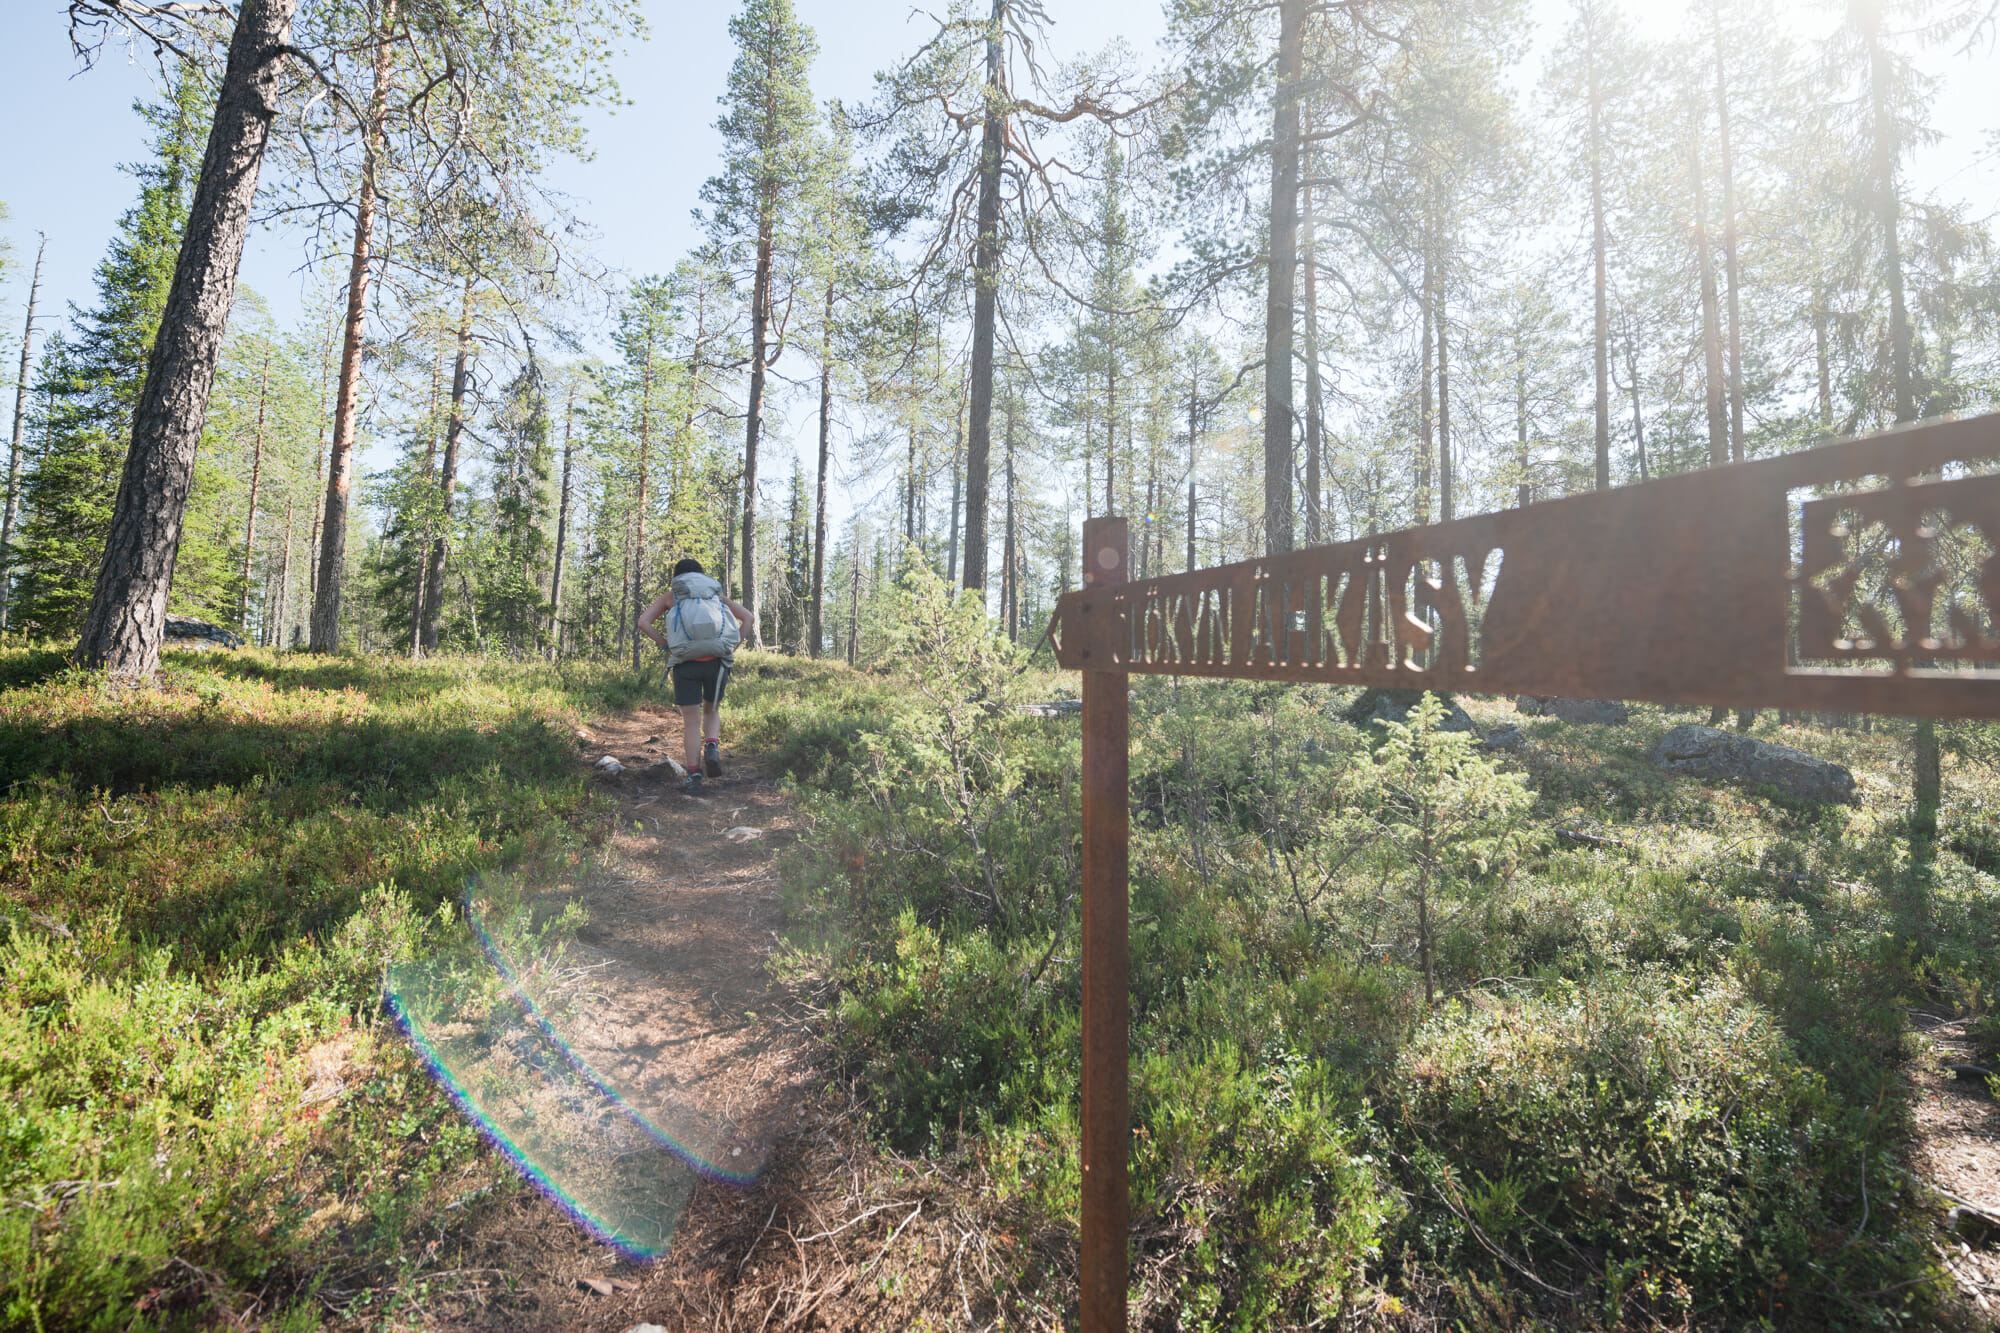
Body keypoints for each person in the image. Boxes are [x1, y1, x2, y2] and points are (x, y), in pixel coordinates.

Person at [638, 558, 752, 795]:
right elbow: (748, 618)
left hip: (684, 663)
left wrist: (665, 644)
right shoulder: (716, 596)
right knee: (712, 710)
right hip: (717, 662)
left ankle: (694, 774)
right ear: (701, 576)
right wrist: (731, 645)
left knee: (691, 721)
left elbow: (643, 622)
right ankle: (712, 745)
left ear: (678, 577)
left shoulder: (672, 597)